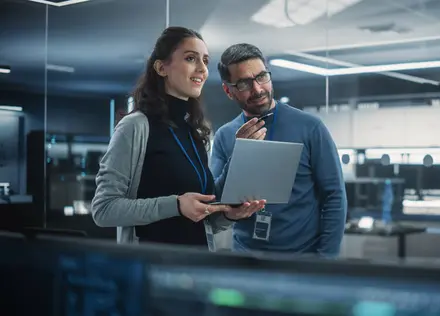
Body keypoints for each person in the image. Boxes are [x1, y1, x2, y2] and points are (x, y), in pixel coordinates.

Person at [91, 27, 265, 248]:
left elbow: (204, 214)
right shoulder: (135, 127)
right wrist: (176, 205)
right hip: (151, 268)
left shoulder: (195, 130)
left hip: (195, 267)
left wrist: (231, 213)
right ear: (161, 67)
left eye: (205, 60)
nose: (202, 68)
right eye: (191, 58)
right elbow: (104, 210)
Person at [211, 43, 347, 257]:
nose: (258, 89)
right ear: (229, 90)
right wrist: (240, 154)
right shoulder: (225, 136)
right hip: (246, 258)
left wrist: (325, 259)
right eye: (245, 84)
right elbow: (214, 202)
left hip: (302, 259)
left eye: (262, 77)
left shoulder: (311, 127)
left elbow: (334, 196)